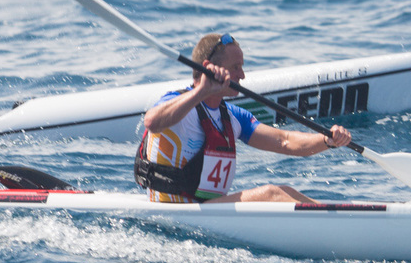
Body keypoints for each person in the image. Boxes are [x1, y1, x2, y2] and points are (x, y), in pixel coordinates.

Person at [136, 32, 352, 203]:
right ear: (208, 69)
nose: (242, 75)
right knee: (271, 194)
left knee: (285, 191)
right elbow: (152, 122)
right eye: (235, 67)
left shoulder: (232, 116)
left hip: (207, 210)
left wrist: (327, 140)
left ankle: (338, 217)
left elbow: (284, 141)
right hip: (174, 209)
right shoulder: (176, 102)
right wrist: (202, 91)